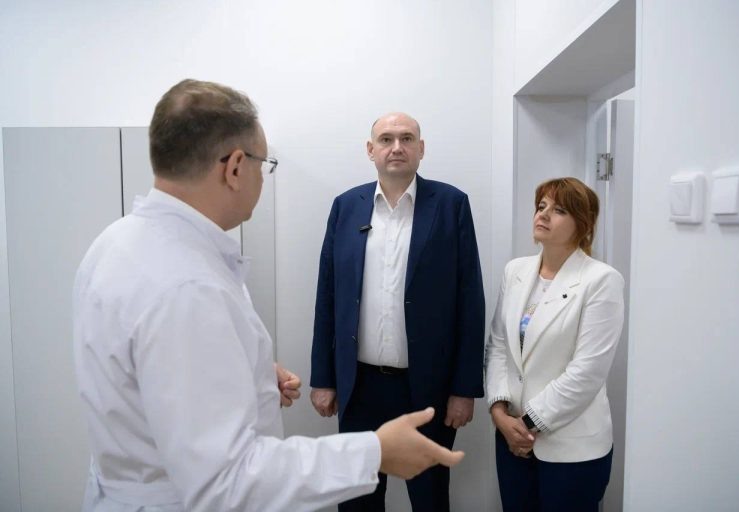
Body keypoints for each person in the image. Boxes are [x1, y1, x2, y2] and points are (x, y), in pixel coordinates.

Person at [73, 79, 465, 512]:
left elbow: (157, 375)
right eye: (265, 165)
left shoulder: (117, 242)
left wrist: (247, 372)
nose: (263, 177)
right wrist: (373, 453)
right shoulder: (187, 284)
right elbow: (227, 481)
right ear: (235, 167)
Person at [310, 112, 485, 511]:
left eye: (406, 138)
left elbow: (469, 300)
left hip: (427, 387)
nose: (396, 147)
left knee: (429, 497)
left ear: (421, 149)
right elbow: (327, 297)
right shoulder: (346, 207)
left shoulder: (451, 205)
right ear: (370, 150)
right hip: (359, 386)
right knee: (357, 499)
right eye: (386, 139)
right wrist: (323, 378)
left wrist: (464, 388)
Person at [485, 177, 625, 511]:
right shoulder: (515, 271)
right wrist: (499, 413)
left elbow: (587, 372)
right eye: (541, 206)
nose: (544, 214)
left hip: (571, 449)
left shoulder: (601, 280)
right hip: (511, 439)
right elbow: (499, 346)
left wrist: (525, 425)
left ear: (583, 224)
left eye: (559, 210)